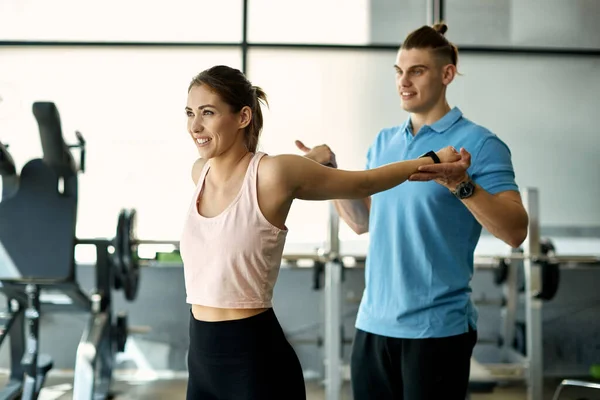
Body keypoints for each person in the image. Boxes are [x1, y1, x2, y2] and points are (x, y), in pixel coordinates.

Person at [178, 64, 461, 400]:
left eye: (207, 113)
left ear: (242, 117)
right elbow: (251, 175)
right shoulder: (201, 173)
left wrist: (431, 158)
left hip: (253, 360)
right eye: (190, 113)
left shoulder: (274, 174)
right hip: (200, 358)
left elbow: (363, 182)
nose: (195, 126)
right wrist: (314, 158)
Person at [296, 23, 530, 400]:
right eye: (399, 72)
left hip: (436, 330)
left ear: (446, 74)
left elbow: (515, 231)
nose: (403, 81)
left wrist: (461, 184)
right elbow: (362, 222)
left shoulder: (481, 143)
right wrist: (330, 174)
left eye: (416, 71)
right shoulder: (385, 142)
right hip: (373, 325)